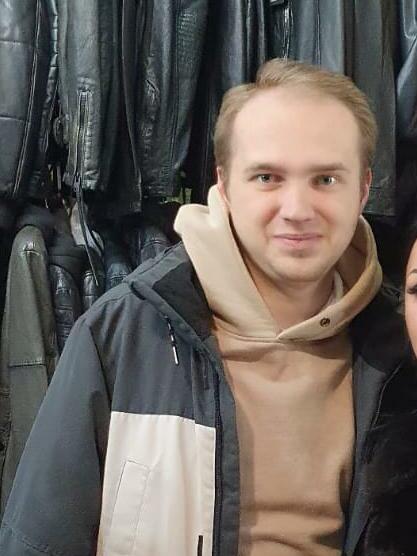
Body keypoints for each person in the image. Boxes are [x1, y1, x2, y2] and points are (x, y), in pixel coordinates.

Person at [0, 59, 414, 556]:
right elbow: (40, 539)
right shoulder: (124, 335)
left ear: (364, 189)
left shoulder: (397, 348)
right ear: (224, 185)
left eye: (326, 179)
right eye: (267, 177)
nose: (297, 210)